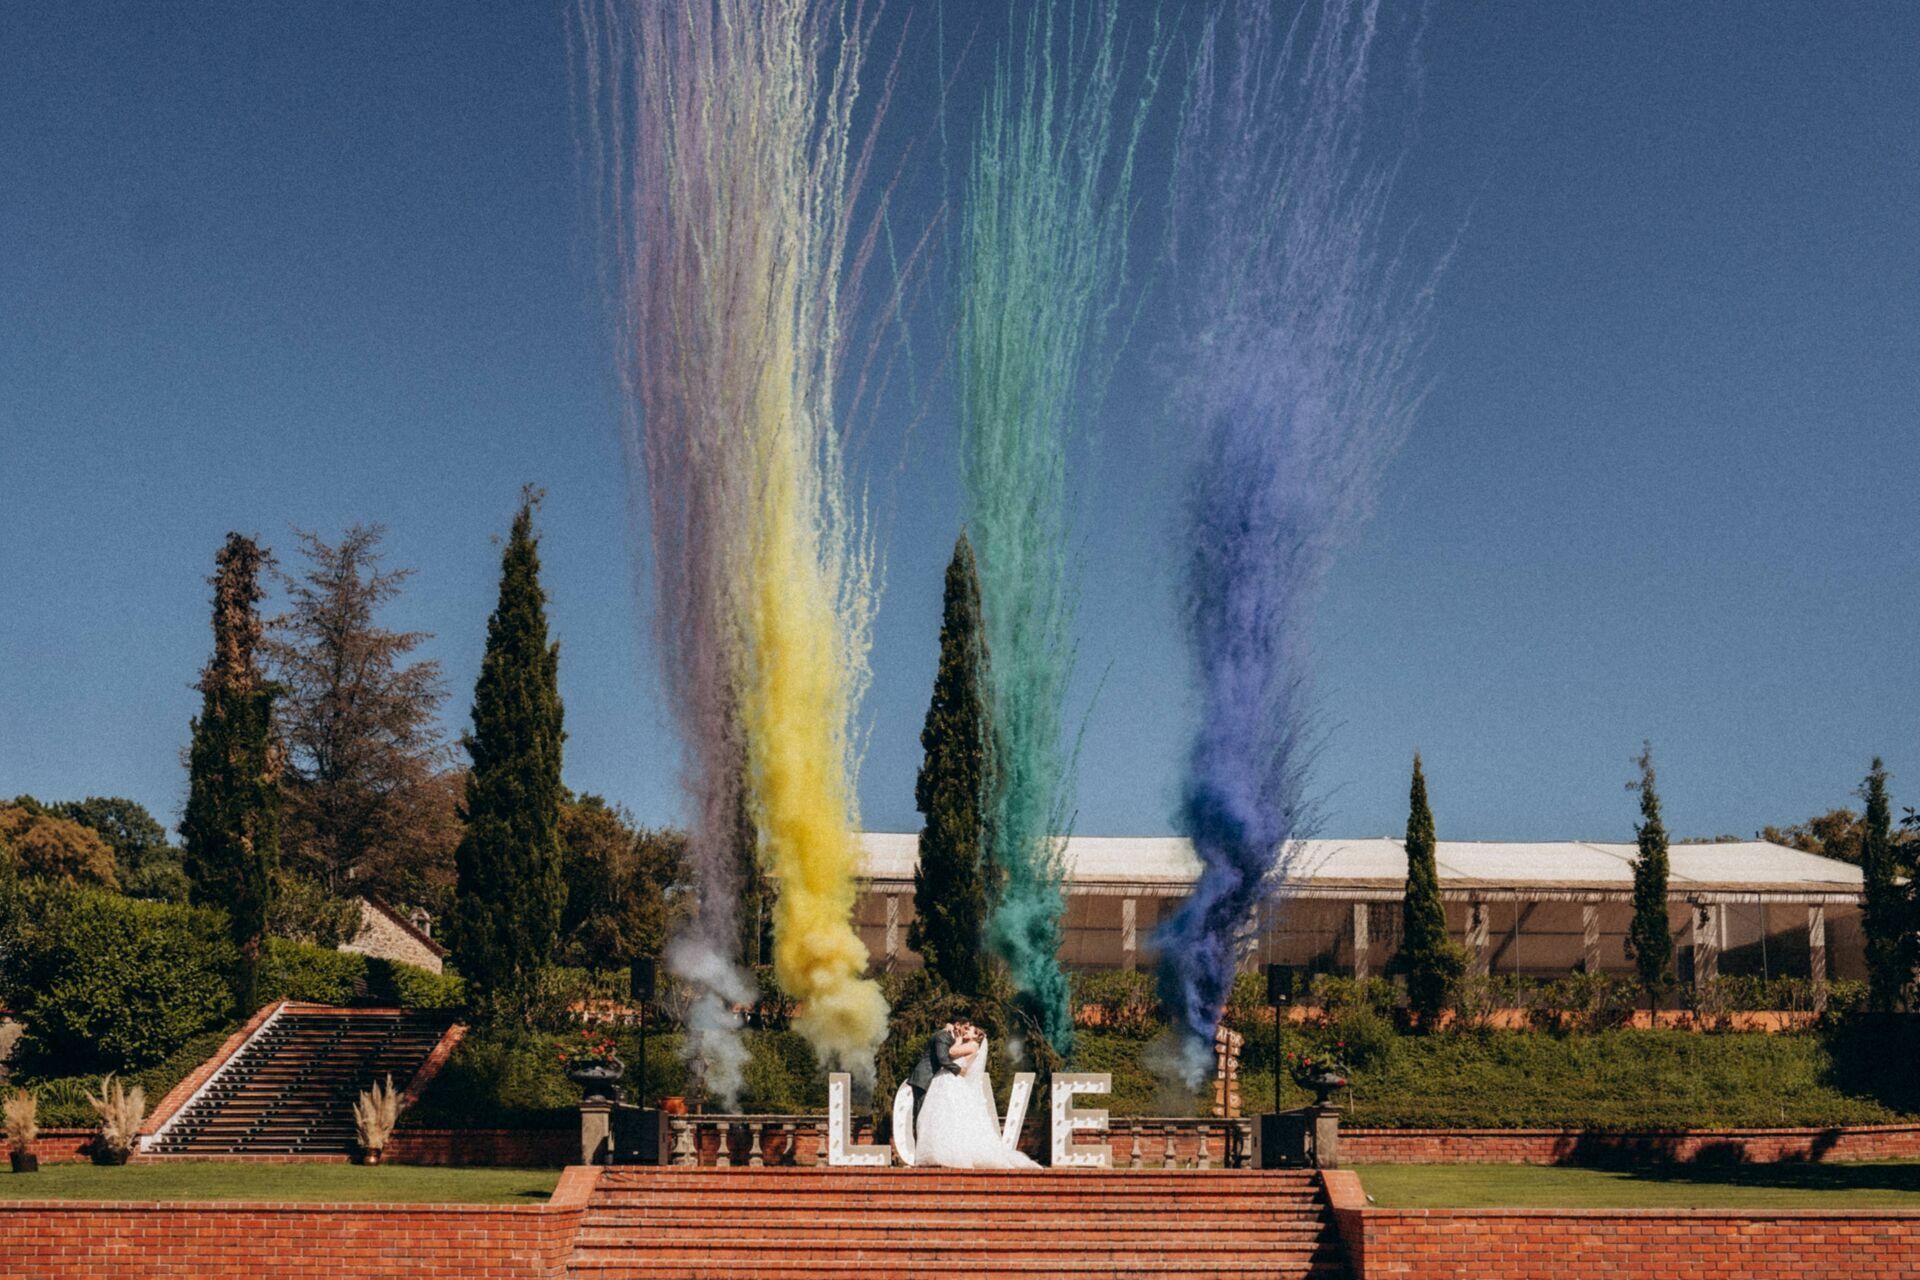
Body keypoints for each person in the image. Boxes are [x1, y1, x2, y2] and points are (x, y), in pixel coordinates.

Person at [913, 1021, 1038, 1169]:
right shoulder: (969, 1044)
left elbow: (952, 1053)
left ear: (977, 1036)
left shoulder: (972, 1045)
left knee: (947, 1116)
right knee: (942, 1117)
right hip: (947, 1080)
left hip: (952, 1080)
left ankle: (948, 1154)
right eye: (966, 1029)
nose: (965, 1031)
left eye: (969, 1030)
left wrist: (958, 1039)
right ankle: (939, 1152)